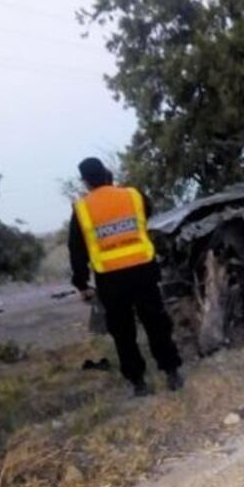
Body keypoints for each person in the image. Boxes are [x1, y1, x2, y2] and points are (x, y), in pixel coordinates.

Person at [67, 157, 184, 397]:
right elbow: (146, 214)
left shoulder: (82, 209)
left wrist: (81, 283)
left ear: (85, 181)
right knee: (156, 323)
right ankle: (172, 373)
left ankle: (139, 383)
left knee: (123, 333)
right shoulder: (133, 195)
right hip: (143, 271)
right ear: (106, 173)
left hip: (110, 279)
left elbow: (76, 249)